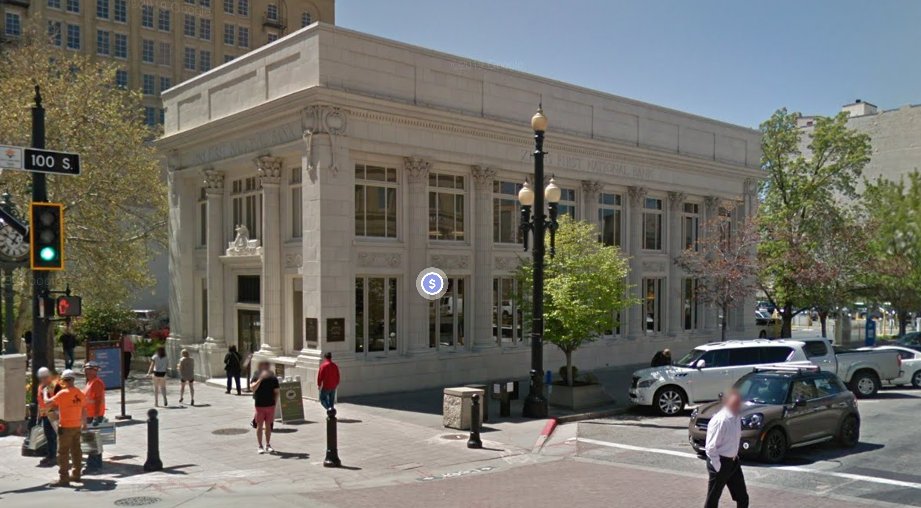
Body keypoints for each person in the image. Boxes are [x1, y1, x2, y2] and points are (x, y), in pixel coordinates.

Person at [704, 389, 749, 508]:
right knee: (712, 500)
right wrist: (718, 467)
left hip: (733, 462)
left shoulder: (737, 416)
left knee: (742, 497)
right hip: (720, 462)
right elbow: (710, 447)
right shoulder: (720, 420)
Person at [43, 369, 87, 487]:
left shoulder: (62, 394)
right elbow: (83, 408)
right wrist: (84, 423)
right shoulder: (80, 392)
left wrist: (44, 393)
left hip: (65, 427)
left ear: (63, 381)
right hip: (77, 426)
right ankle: (77, 475)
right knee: (76, 451)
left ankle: (64, 479)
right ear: (73, 379)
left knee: (63, 453)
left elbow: (47, 403)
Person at [250, 361, 279, 454]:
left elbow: (277, 391)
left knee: (268, 426)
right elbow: (252, 388)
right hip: (259, 405)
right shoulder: (256, 375)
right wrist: (260, 379)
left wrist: (275, 403)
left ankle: (268, 444)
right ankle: (260, 446)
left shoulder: (273, 378)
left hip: (270, 405)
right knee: (259, 425)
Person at [82, 361, 106, 473]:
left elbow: (97, 401)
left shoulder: (96, 383)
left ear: (94, 370)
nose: (86, 371)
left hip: (94, 416)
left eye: (88, 369)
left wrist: (96, 417)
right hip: (89, 415)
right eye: (85, 369)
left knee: (93, 442)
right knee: (92, 441)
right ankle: (94, 464)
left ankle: (94, 465)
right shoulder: (90, 382)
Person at [36, 367, 60, 467]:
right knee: (48, 437)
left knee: (53, 437)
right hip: (45, 415)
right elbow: (40, 402)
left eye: (45, 377)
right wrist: (39, 416)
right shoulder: (41, 387)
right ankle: (50, 455)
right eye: (42, 378)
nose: (43, 379)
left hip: (53, 414)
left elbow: (58, 400)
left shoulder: (54, 386)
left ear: (49, 376)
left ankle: (54, 457)